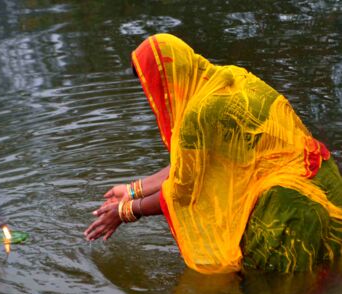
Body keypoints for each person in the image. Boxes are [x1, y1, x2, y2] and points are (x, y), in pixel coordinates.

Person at [84, 33, 342, 274]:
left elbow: (184, 190)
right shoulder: (230, 77)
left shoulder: (197, 116)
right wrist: (132, 190)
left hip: (286, 214)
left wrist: (126, 211)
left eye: (151, 88)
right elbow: (191, 165)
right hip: (327, 185)